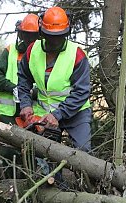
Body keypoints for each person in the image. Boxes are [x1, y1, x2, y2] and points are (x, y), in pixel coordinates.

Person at [17, 6, 92, 153]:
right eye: (51, 36)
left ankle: (85, 176)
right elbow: (23, 79)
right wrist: (25, 104)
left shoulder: (77, 55)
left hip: (76, 112)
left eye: (59, 36)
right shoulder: (32, 50)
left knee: (84, 152)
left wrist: (57, 114)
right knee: (45, 154)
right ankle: (51, 177)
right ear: (42, 32)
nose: (55, 41)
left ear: (66, 33)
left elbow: (81, 92)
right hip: (44, 112)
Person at [0, 13, 40, 178]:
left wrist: (33, 93)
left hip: (33, 109)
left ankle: (31, 181)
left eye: (33, 36)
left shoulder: (43, 54)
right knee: (9, 148)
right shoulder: (10, 52)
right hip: (9, 111)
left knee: (32, 147)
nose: (30, 40)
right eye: (27, 35)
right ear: (21, 34)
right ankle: (9, 183)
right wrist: (13, 87)